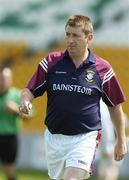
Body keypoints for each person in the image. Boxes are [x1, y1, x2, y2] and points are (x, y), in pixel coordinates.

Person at [19, 15, 127, 180]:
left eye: (76, 35)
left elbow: (115, 106)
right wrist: (25, 101)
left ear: (88, 38)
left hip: (85, 138)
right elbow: (29, 90)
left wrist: (120, 140)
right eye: (68, 34)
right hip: (54, 139)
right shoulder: (51, 62)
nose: (70, 40)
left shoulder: (102, 69)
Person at [0, 67, 31, 180]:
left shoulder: (17, 95)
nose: (2, 81)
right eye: (1, 78)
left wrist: (16, 110)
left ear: (10, 79)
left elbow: (29, 117)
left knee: (9, 170)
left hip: (9, 138)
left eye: (5, 78)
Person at [97, 99, 129, 180]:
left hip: (107, 138)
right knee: (111, 165)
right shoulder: (105, 102)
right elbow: (124, 122)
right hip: (110, 139)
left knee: (106, 163)